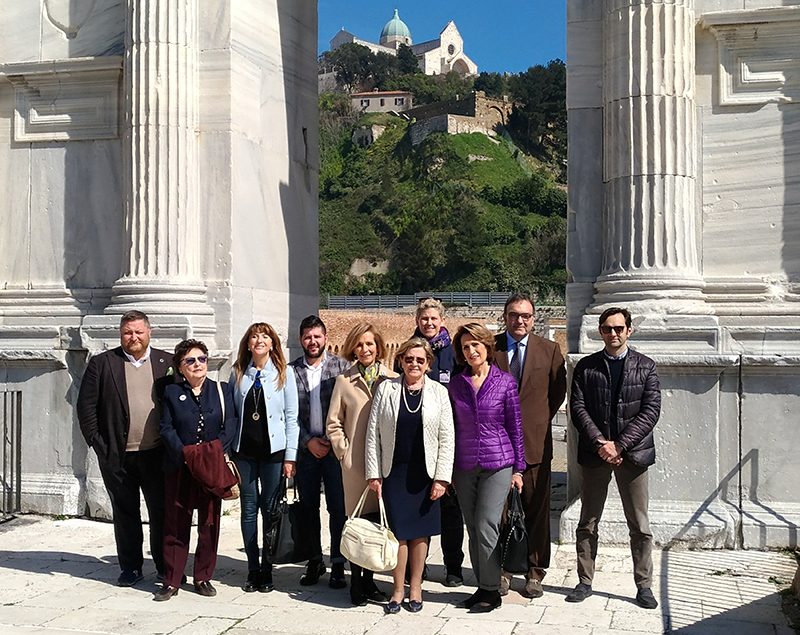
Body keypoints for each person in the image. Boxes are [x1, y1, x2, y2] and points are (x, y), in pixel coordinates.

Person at [567, 307, 661, 609]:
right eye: (607, 328)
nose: (613, 333)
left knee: (639, 524)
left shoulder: (646, 367)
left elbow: (650, 412)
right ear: (600, 331)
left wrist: (619, 445)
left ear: (629, 330)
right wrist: (600, 443)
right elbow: (578, 408)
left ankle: (644, 585)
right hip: (596, 454)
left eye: (619, 328)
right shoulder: (586, 367)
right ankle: (585, 580)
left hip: (632, 455)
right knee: (588, 521)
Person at [77, 310, 172, 586]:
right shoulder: (103, 364)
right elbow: (86, 409)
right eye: (128, 332)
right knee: (125, 512)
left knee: (161, 512)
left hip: (157, 453)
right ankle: (131, 566)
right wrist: (99, 445)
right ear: (121, 334)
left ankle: (165, 566)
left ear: (149, 332)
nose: (134, 337)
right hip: (118, 455)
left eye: (139, 331)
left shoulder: (166, 362)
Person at [365, 337, 455, 613]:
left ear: (428, 364)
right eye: (409, 359)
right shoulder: (386, 389)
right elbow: (372, 435)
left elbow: (447, 436)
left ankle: (416, 588)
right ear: (401, 360)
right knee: (398, 534)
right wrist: (374, 473)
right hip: (395, 471)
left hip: (425, 473)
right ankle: (397, 589)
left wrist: (442, 477)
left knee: (420, 535)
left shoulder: (439, 392)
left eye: (420, 360)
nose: (414, 364)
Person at [448, 323, 525, 614]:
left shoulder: (505, 382)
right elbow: (451, 428)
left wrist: (519, 468)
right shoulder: (456, 384)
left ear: (487, 347)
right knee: (472, 527)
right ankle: (482, 586)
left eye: (475, 345)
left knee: (487, 524)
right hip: (465, 464)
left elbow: (515, 426)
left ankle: (492, 591)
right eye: (465, 347)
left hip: (498, 463)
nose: (471, 351)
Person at [494, 293, 566, 598]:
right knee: (499, 510)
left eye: (525, 315)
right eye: (514, 315)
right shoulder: (492, 348)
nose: (519, 320)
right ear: (505, 317)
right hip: (497, 443)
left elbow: (557, 394)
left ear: (533, 319)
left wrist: (536, 422)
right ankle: (503, 569)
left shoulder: (549, 351)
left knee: (537, 510)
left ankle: (535, 572)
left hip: (535, 444)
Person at [155, 339, 237, 601]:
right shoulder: (170, 393)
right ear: (180, 367)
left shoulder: (221, 390)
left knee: (209, 523)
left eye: (201, 358)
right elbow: (166, 428)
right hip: (180, 466)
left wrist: (210, 453)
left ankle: (203, 576)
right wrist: (187, 455)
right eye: (190, 360)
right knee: (176, 522)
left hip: (211, 466)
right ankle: (171, 579)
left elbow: (230, 425)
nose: (197, 364)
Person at [327, 321, 398, 606]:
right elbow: (334, 423)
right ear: (353, 348)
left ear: (378, 346)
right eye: (359, 344)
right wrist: (344, 453)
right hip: (355, 465)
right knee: (357, 524)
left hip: (385, 464)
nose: (365, 349)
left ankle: (371, 582)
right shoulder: (344, 381)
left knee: (379, 524)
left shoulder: (393, 379)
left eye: (370, 344)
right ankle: (357, 583)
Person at [229, 323, 299, 593]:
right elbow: (232, 414)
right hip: (244, 453)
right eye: (254, 337)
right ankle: (252, 568)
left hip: (274, 453)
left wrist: (290, 457)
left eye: (265, 336)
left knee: (270, 510)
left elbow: (292, 418)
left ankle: (268, 568)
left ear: (272, 344)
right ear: (247, 344)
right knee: (248, 510)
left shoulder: (284, 374)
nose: (259, 340)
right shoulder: (238, 373)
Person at [400, 298, 465, 587]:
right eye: (424, 318)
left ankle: (453, 566)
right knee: (416, 506)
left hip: (448, 439)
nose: (428, 323)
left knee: (451, 508)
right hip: (414, 443)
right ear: (417, 321)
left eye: (433, 318)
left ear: (442, 321)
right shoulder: (407, 351)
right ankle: (419, 566)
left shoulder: (454, 353)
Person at [289, 315, 351, 588]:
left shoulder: (342, 367)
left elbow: (349, 409)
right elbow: (287, 415)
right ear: (301, 339)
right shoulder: (290, 371)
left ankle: (338, 562)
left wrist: (331, 440)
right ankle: (314, 560)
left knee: (338, 508)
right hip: (306, 451)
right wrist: (306, 442)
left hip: (334, 450)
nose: (312, 342)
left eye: (317, 336)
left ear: (326, 338)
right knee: (309, 508)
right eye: (307, 337)